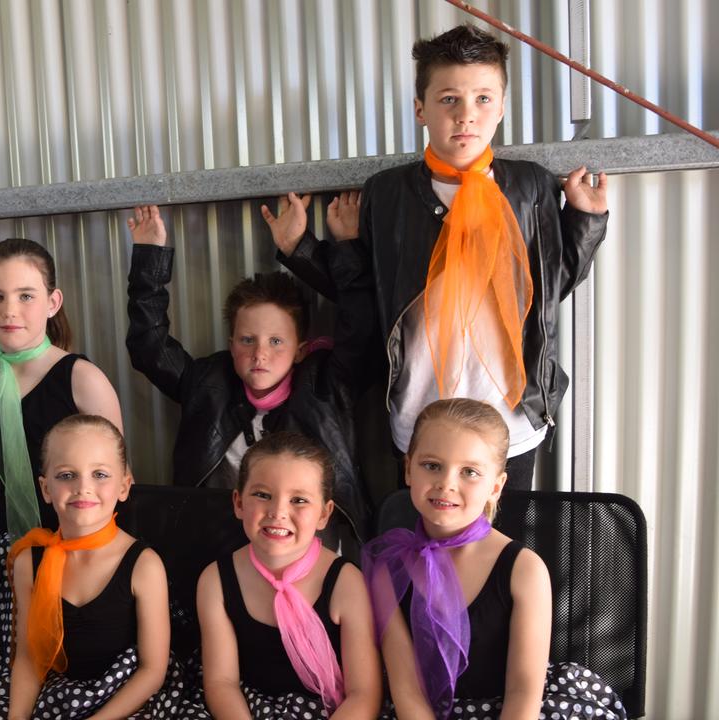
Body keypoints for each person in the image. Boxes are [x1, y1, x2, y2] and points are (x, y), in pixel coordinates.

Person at [273, 24, 610, 490]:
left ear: (502, 108)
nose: (466, 115)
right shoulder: (387, 194)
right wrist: (302, 249)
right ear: (421, 109)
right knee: (422, 553)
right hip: (420, 414)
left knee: (499, 553)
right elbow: (368, 294)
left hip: (510, 421)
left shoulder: (528, 186)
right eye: (449, 99)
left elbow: (548, 286)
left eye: (483, 99)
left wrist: (586, 222)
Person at [364, 398, 625, 719]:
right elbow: (407, 691)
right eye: (432, 465)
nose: (447, 484)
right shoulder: (388, 571)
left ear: (496, 486)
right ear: (408, 469)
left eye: (470, 472)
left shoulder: (524, 570)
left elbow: (523, 692)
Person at [125, 204, 372, 540]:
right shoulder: (208, 384)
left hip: (310, 550)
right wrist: (149, 258)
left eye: (276, 341)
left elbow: (362, 325)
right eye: (247, 340)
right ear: (231, 344)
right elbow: (149, 345)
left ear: (301, 349)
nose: (260, 354)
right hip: (222, 546)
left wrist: (308, 247)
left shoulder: (326, 387)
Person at [0, 238, 124, 678]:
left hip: (79, 554)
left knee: (79, 673)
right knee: (17, 677)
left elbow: (118, 481)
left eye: (26, 296)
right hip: (9, 555)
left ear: (52, 302)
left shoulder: (82, 379)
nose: (10, 309)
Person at [0, 414, 185, 719]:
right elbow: (29, 656)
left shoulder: (144, 566)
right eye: (67, 475)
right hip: (57, 693)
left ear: (124, 486)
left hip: (126, 698)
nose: (83, 487)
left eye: (100, 475)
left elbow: (152, 670)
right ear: (45, 488)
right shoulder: (30, 561)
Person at [185, 432, 381, 719]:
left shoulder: (345, 582)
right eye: (263, 495)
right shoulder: (216, 581)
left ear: (324, 514)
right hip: (244, 709)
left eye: (299, 500)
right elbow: (222, 683)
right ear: (239, 503)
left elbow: (363, 693)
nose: (278, 512)